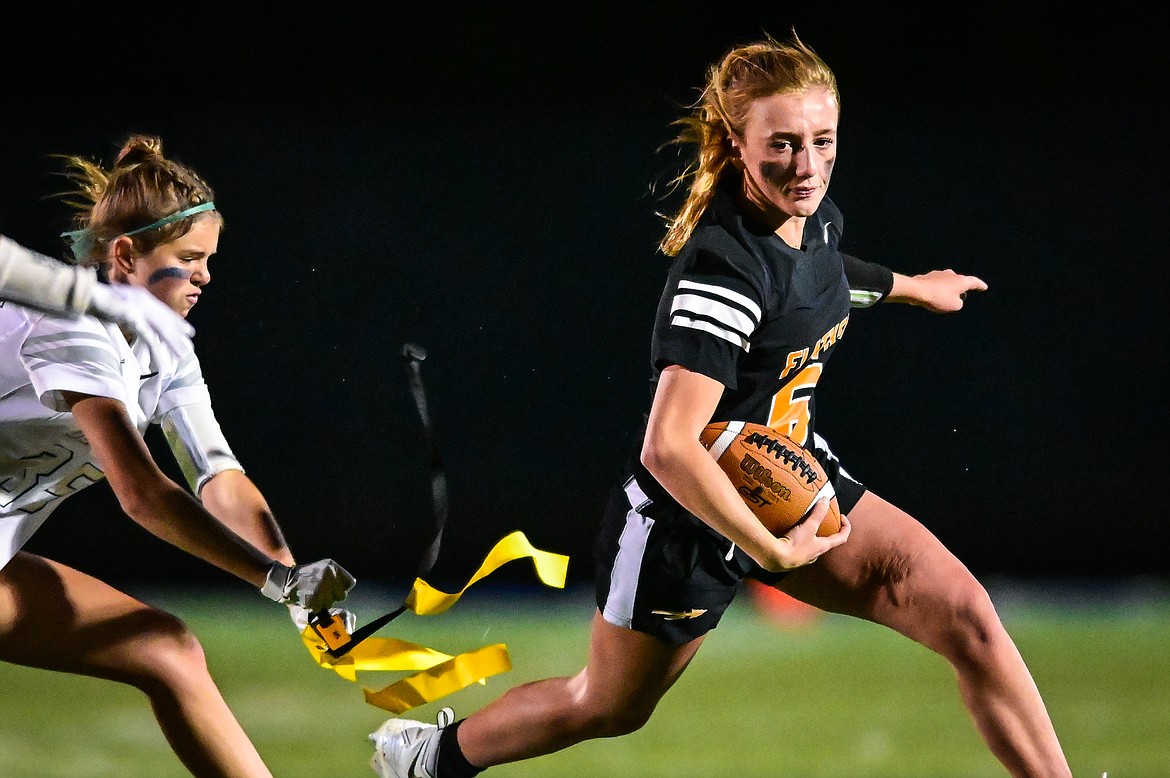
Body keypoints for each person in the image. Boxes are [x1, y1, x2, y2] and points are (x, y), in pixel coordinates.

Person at [367, 33, 1072, 778]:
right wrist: (767, 552)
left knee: (968, 618)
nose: (807, 165)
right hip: (686, 521)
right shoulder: (721, 271)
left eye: (822, 140)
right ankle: (432, 758)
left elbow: (822, 277)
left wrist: (909, 286)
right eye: (783, 145)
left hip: (787, 476)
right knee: (605, 706)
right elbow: (669, 445)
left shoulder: (817, 218)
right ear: (736, 144)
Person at [0, 134, 356, 778]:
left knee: (166, 650)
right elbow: (141, 492)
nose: (206, 275)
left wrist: (297, 587)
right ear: (125, 255)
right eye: (189, 258)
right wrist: (272, 582)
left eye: (210, 259)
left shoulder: (166, 347)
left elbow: (217, 477)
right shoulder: (68, 322)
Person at [0, 232, 194, 356]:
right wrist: (99, 297)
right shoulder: (66, 329)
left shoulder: (166, 335)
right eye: (187, 258)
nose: (205, 275)